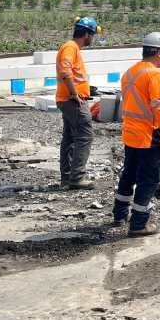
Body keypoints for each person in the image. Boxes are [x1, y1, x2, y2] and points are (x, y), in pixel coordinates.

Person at [112, 32, 160, 237]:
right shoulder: (154, 74)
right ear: (157, 53)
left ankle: (119, 215)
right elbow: (159, 108)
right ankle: (138, 224)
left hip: (130, 134)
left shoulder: (129, 73)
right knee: (148, 179)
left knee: (129, 174)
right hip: (148, 135)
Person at [55, 16, 99, 190]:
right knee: (85, 135)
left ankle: (67, 178)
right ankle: (77, 178)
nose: (92, 39)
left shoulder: (73, 48)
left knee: (70, 138)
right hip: (72, 101)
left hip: (68, 100)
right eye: (92, 35)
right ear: (86, 34)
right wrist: (74, 93)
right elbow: (65, 71)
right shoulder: (70, 47)